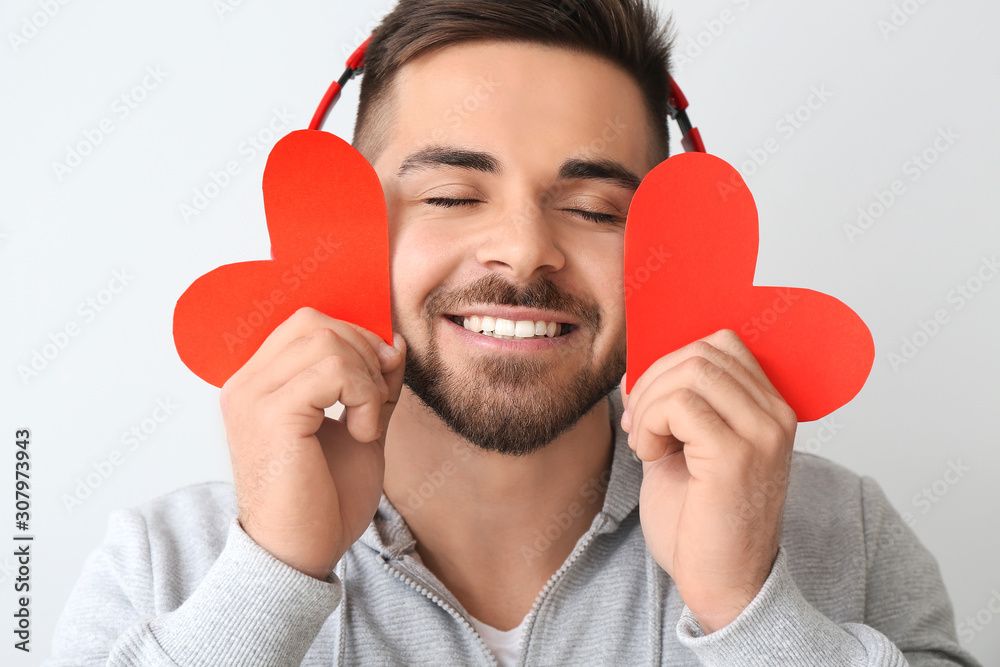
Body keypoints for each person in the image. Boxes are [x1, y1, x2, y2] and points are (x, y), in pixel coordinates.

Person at [48, 1, 980, 665]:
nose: (525, 253)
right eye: (452, 195)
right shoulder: (161, 568)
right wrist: (272, 578)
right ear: (345, 226)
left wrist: (750, 613)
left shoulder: (842, 538)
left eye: (594, 208)